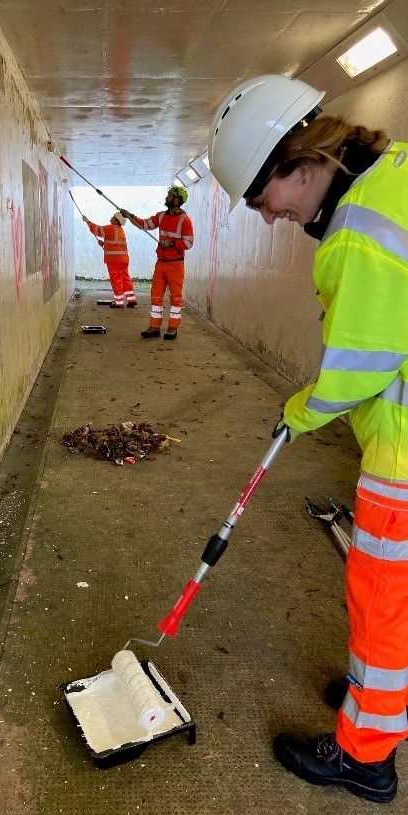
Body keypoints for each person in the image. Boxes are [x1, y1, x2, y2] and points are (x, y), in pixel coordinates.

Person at [209, 73, 407, 804]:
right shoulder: (397, 174)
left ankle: (363, 754)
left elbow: (357, 368)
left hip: (404, 450)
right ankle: (378, 703)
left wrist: (299, 408)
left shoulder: (357, 231)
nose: (265, 218)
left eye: (263, 201)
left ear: (293, 167)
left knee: (382, 596)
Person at [120, 187, 194, 340]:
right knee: (155, 296)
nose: (166, 197)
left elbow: (189, 242)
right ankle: (154, 327)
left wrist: (172, 244)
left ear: (177, 200)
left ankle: (172, 328)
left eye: (169, 195)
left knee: (175, 298)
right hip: (161, 263)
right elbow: (145, 224)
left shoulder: (184, 220)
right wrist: (130, 216)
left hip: (175, 264)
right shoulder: (161, 216)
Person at [82, 211, 137, 308]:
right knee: (125, 278)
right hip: (123, 259)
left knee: (116, 279)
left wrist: (87, 221)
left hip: (113, 260)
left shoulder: (111, 228)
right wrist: (104, 244)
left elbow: (97, 230)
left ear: (116, 220)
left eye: (113, 217)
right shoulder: (120, 230)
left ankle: (119, 302)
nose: (111, 217)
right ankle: (131, 299)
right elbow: (115, 245)